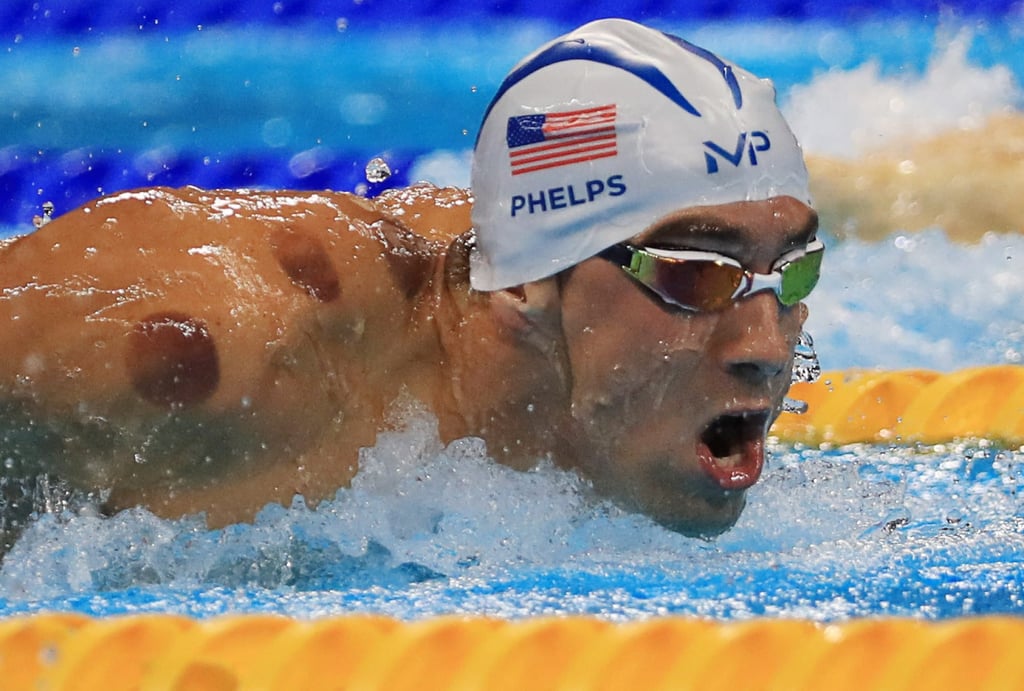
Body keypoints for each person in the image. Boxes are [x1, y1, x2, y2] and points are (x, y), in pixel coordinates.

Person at [0, 18, 821, 539]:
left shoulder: (605, 371)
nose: (764, 346)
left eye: (789, 269)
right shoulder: (213, 351)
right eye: (694, 275)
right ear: (524, 287)